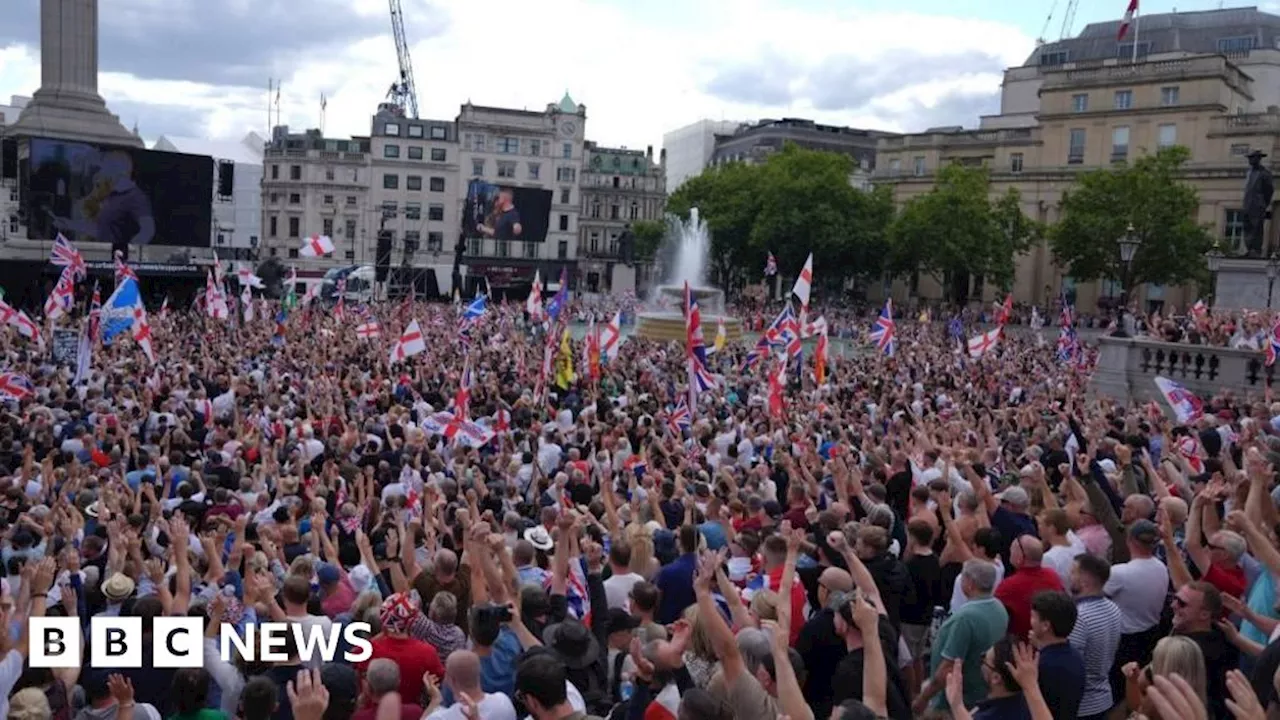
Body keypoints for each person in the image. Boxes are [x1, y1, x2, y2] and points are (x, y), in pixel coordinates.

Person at [917, 560, 1010, 715]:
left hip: (955, 702)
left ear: (970, 583)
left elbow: (948, 666)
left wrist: (924, 698)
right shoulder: (999, 608)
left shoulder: (965, 618)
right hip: (981, 694)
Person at [1067, 554, 1124, 720]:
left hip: (1082, 706)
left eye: (1073, 573)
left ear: (1084, 581)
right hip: (1104, 698)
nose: (1069, 576)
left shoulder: (1079, 617)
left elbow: (1072, 665)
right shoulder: (1113, 608)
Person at [1027, 591, 1084, 719]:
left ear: (1046, 625)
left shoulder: (1041, 666)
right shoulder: (1075, 656)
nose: (1030, 621)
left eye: (1033, 617)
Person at [424, 651, 517, 720]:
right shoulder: (503, 702)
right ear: (479, 673)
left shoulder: (440, 717)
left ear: (451, 680)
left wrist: (435, 700)